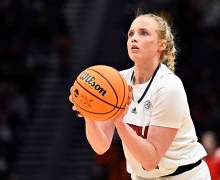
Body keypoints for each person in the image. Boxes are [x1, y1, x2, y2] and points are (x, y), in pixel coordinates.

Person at [69, 13, 211, 179]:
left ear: (161, 45)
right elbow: (101, 146)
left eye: (143, 33)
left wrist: (120, 123)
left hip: (185, 175)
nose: (134, 38)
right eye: (131, 34)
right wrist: (88, 114)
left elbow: (150, 160)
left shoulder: (168, 86)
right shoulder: (117, 82)